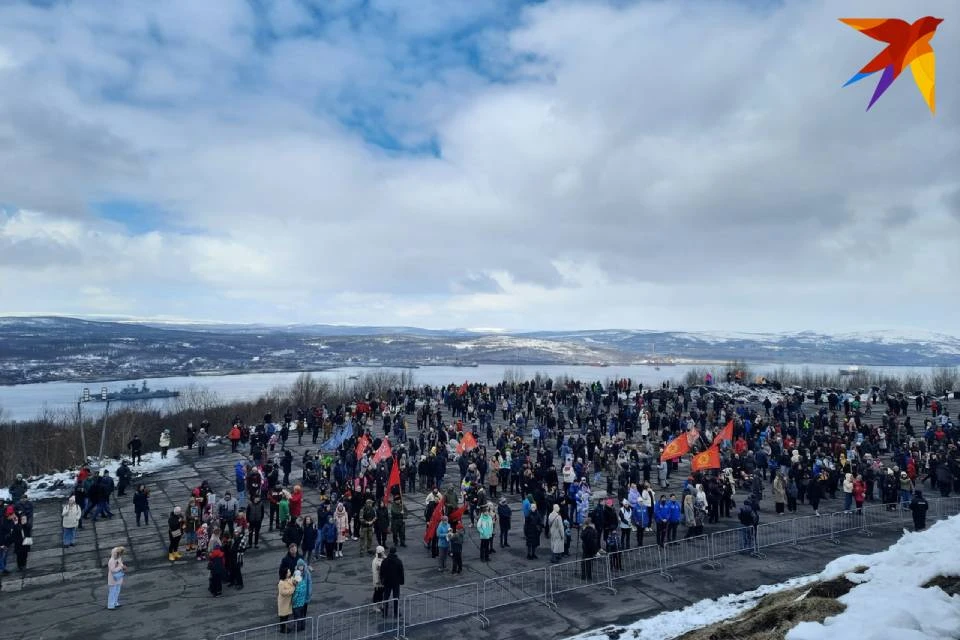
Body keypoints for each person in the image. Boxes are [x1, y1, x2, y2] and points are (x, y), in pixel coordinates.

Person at [379, 546, 404, 619]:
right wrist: (401, 581)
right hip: (396, 582)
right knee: (396, 597)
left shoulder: (385, 561)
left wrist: (382, 580)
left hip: (387, 582)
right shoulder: (398, 561)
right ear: (395, 552)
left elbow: (381, 572)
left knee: (386, 597)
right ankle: (396, 613)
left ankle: (385, 613)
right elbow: (401, 572)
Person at [292, 559, 312, 630]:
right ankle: (299, 625)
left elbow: (309, 584)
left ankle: (302, 624)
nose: (301, 567)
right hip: (298, 596)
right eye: (299, 566)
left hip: (305, 595)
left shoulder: (307, 573)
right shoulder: (295, 573)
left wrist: (309, 594)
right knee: (299, 612)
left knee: (303, 612)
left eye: (302, 566)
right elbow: (293, 583)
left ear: (304, 566)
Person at [277, 568, 296, 633]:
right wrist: (292, 589)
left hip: (287, 602)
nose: (290, 572)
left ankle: (285, 627)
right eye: (288, 572)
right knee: (283, 616)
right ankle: (282, 629)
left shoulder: (289, 579)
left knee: (286, 615)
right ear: (285, 574)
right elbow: (283, 592)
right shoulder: (281, 583)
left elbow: (293, 580)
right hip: (283, 602)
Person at [371, 546, 386, 611]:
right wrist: (377, 581)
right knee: (377, 593)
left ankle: (381, 604)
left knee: (382, 592)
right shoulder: (375, 561)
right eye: (382, 552)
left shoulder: (382, 558)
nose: (383, 553)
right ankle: (375, 606)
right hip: (378, 580)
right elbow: (375, 572)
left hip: (383, 579)